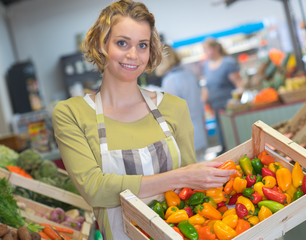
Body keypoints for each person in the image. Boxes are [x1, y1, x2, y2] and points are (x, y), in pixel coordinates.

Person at [52, 1, 235, 239]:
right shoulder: (72, 114)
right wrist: (180, 176)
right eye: (122, 43)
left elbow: (193, 191)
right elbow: (95, 189)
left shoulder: (174, 107)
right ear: (101, 44)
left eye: (142, 45)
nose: (133, 55)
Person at [156, 44, 208, 161]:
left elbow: (172, 114)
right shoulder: (189, 74)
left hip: (186, 139)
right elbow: (200, 104)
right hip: (199, 132)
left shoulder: (170, 81)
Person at [202, 38, 243, 155]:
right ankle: (224, 150)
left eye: (207, 50)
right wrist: (204, 100)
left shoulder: (227, 63)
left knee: (231, 131)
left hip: (228, 106)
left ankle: (233, 152)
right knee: (220, 131)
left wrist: (237, 102)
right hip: (215, 105)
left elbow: (239, 83)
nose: (206, 53)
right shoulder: (206, 66)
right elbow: (207, 85)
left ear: (216, 49)